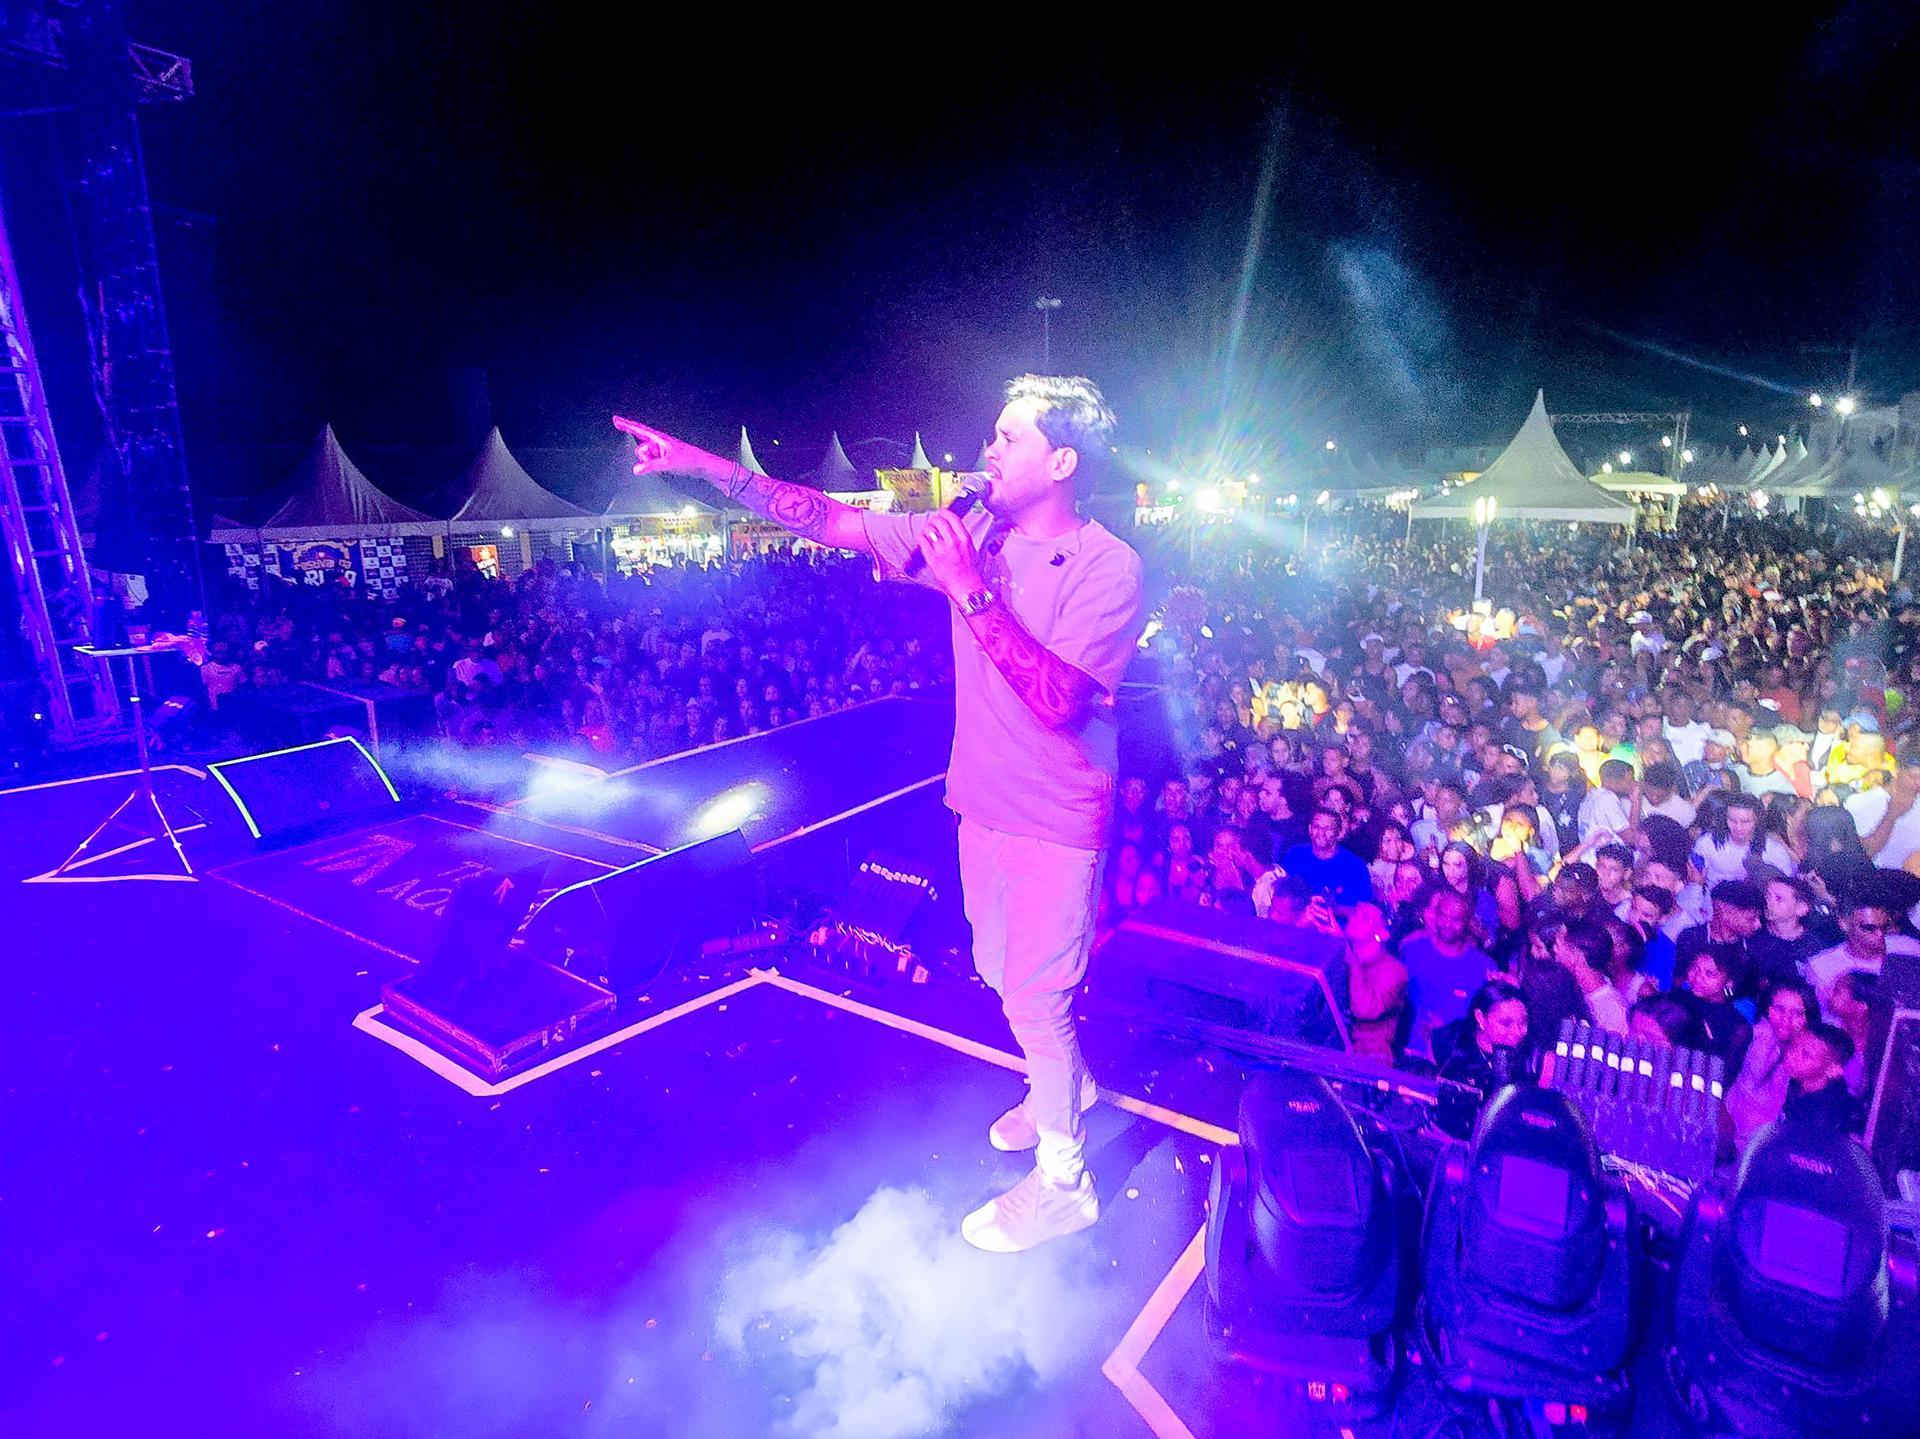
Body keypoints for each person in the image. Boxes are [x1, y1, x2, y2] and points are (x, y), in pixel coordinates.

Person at [617, 374, 1145, 1253]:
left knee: (1037, 996)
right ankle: (1066, 1086)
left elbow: (1059, 700)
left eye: (1009, 437)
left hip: (1056, 816)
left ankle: (1066, 1182)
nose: (989, 449)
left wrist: (967, 585)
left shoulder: (1107, 565)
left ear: (1061, 462)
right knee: (998, 970)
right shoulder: (975, 532)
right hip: (982, 802)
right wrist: (702, 465)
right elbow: (829, 519)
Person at [1724, 979, 1818, 1150]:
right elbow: (1722, 1082)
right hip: (1731, 1129)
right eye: (1779, 1009)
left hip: (1775, 1144)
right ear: (1767, 1009)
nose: (1786, 1019)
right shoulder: (1749, 1035)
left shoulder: (1810, 1054)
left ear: (1809, 1018)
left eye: (1797, 1013)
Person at [1401, 889, 1494, 1058]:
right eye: (1443, 916)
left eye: (1456, 919)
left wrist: (1446, 1032)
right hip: (1409, 1053)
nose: (1447, 924)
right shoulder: (1412, 950)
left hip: (1456, 1060)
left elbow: (1486, 1020)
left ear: (1468, 922)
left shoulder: (1483, 967)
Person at [1281, 807, 1375, 911]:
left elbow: (1364, 910)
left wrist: (1334, 908)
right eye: (1316, 827)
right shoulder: (1295, 855)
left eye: (1328, 829)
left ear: (1338, 832)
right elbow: (1281, 896)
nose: (1321, 833)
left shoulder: (1355, 866)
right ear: (1310, 829)